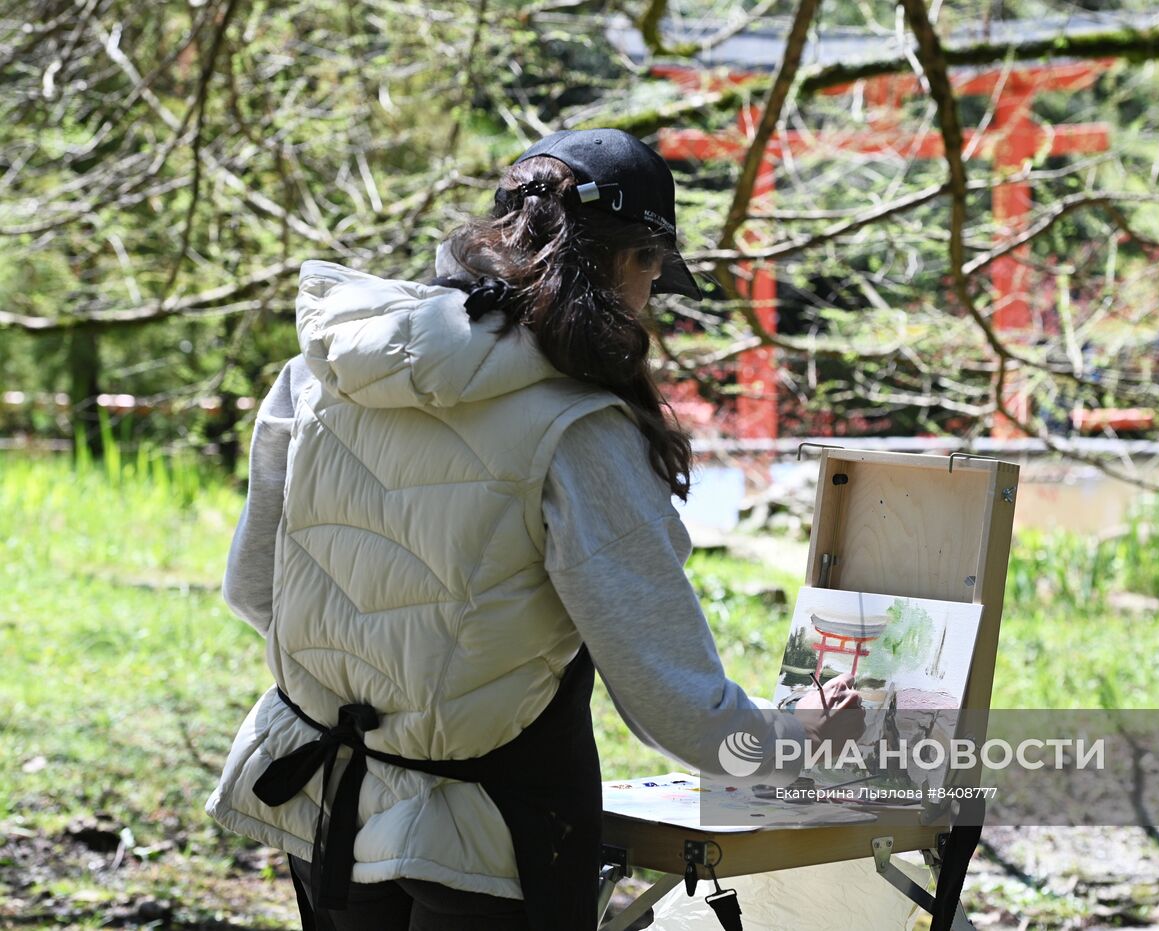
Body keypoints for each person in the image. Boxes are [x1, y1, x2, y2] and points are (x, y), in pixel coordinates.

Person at [205, 128, 861, 931]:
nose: (650, 298)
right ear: (630, 260)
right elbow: (673, 703)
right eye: (655, 270)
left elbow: (253, 589)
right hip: (490, 839)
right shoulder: (578, 429)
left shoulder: (323, 372)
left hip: (323, 808)